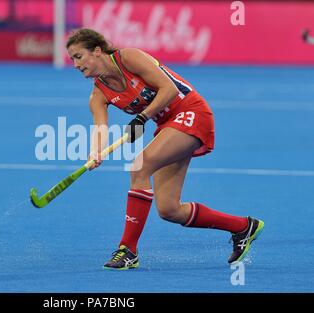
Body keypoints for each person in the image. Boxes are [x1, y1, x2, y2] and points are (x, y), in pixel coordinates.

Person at [66, 28, 264, 270]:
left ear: (97, 51)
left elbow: (169, 89)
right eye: (72, 59)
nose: (75, 64)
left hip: (192, 112)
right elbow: (100, 128)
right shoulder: (98, 94)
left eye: (78, 56)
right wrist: (95, 152)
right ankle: (243, 227)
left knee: (139, 166)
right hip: (168, 125)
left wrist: (142, 117)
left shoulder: (128, 58)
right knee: (169, 209)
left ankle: (127, 250)